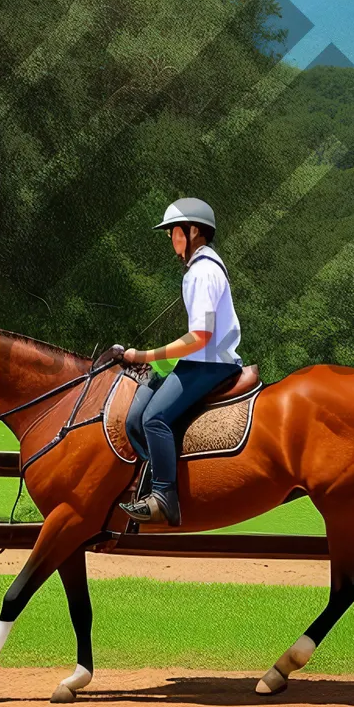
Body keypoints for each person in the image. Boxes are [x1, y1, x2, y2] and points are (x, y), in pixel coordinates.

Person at [117, 197, 242, 527]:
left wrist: (144, 356)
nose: (171, 239)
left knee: (154, 418)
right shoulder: (203, 268)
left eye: (174, 232)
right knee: (136, 415)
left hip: (210, 363)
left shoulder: (202, 273)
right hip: (201, 360)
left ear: (194, 232)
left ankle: (164, 498)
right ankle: (152, 482)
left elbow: (200, 337)